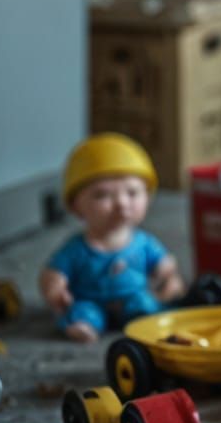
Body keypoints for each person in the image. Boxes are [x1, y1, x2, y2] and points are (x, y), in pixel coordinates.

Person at [39, 133, 185, 343]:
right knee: (83, 310)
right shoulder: (77, 249)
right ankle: (84, 326)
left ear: (148, 197)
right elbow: (53, 273)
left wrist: (168, 275)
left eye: (132, 193)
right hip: (90, 299)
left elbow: (164, 264)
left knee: (146, 303)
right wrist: (55, 288)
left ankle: (146, 322)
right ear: (75, 206)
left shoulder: (144, 243)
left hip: (132, 298)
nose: (121, 203)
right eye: (102, 195)